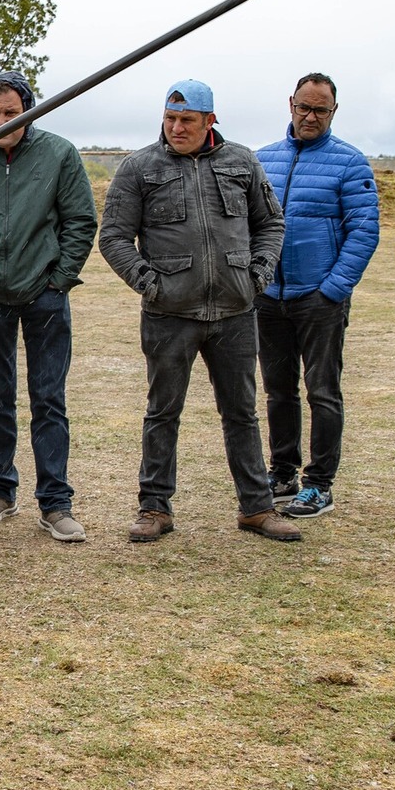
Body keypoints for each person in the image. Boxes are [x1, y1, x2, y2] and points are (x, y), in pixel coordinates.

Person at [100, 80, 297, 544]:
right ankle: (154, 508)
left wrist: (257, 275)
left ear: (211, 121)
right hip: (170, 313)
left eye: (187, 120)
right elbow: (112, 237)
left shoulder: (242, 162)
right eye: (170, 119)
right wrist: (151, 284)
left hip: (235, 310)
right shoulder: (138, 168)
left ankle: (256, 508)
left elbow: (271, 222)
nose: (176, 127)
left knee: (242, 413)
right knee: (162, 412)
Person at [0, 72, 97, 541]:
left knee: (49, 398)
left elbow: (80, 220)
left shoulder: (59, 154)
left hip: (44, 295)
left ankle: (55, 503)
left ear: (30, 111)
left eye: (13, 112)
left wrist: (60, 279)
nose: (3, 120)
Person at [254, 73, 380, 519]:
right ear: (290, 104)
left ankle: (319, 483)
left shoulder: (350, 163)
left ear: (333, 112)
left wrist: (334, 289)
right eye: (304, 107)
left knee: (322, 391)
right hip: (267, 298)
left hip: (319, 299)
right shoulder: (261, 160)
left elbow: (364, 231)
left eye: (320, 110)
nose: (310, 117)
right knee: (277, 391)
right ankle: (283, 471)